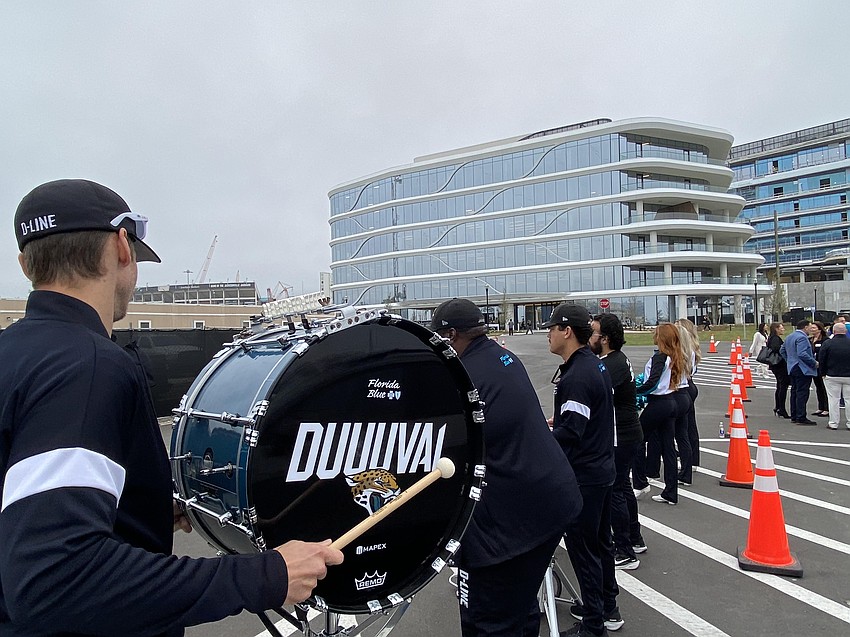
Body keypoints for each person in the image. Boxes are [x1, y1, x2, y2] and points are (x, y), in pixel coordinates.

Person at [0, 179, 343, 637]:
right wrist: (267, 575)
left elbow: (24, 510)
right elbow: (56, 578)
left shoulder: (12, 353)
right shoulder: (90, 366)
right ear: (123, 248)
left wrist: (140, 508)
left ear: (25, 265)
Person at [431, 298, 583, 637]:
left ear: (452, 335)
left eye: (437, 339)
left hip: (511, 524)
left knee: (488, 623)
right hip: (550, 503)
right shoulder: (502, 357)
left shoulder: (462, 377)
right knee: (521, 609)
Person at [544, 304, 619, 637]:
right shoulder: (592, 365)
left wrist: (541, 437)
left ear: (566, 331)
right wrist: (558, 422)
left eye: (551, 328)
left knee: (584, 551)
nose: (547, 334)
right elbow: (581, 420)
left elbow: (572, 432)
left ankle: (593, 625)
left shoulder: (577, 375)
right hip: (602, 469)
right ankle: (607, 606)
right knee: (601, 544)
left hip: (585, 475)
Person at [590, 314, 645, 570]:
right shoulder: (613, 360)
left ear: (605, 339)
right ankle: (634, 539)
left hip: (621, 434)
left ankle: (624, 549)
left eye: (594, 333)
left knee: (615, 490)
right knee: (623, 487)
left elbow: (596, 397)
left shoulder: (613, 364)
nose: (590, 337)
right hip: (627, 432)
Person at [634, 324, 686, 506]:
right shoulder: (674, 356)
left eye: (656, 333)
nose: (653, 335)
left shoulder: (660, 357)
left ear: (661, 338)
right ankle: (671, 492)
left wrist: (634, 390)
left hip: (659, 403)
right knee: (668, 448)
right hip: (671, 402)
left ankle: (640, 483)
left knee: (637, 438)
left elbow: (652, 383)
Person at [675, 318, 702, 484]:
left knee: (682, 429)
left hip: (684, 386)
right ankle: (693, 460)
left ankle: (688, 461)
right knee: (690, 425)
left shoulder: (684, 349)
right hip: (690, 385)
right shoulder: (693, 347)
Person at [781, 319, 818, 426]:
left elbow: (782, 350)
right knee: (802, 392)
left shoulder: (790, 336)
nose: (811, 330)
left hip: (792, 367)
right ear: (805, 327)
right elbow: (802, 353)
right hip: (801, 368)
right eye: (810, 327)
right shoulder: (802, 338)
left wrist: (789, 360)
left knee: (794, 391)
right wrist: (813, 362)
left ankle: (794, 415)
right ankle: (801, 416)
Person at [820, 322, 850, 430]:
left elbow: (822, 359)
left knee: (833, 399)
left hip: (832, 375)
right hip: (848, 375)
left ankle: (833, 423)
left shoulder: (828, 343)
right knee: (848, 399)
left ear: (834, 331)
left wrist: (822, 373)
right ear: (845, 332)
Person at [766, 322, 791, 419]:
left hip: (776, 365)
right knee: (782, 386)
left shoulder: (772, 338)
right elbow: (777, 349)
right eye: (781, 328)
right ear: (776, 329)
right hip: (779, 365)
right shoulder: (775, 339)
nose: (783, 329)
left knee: (780, 385)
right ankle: (781, 408)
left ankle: (778, 407)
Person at [810, 321, 830, 417]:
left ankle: (827, 408)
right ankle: (820, 407)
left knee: (824, 388)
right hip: (814, 367)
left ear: (819, 329)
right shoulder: (810, 340)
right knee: (818, 388)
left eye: (814, 328)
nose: (811, 330)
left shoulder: (825, 340)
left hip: (822, 366)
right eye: (811, 328)